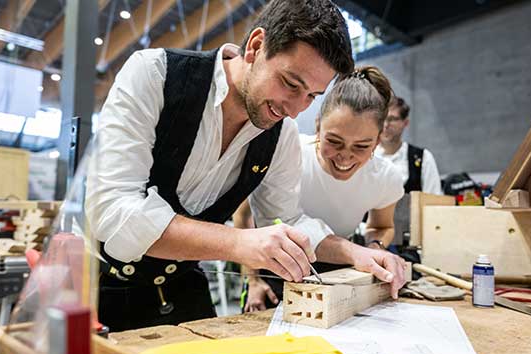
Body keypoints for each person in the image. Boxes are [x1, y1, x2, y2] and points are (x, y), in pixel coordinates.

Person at [86, 0, 395, 332]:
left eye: (311, 96)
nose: (294, 110)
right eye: (291, 84)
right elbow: (112, 211)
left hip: (182, 284)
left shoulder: (282, 135)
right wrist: (239, 243)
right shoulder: (154, 74)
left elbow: (289, 218)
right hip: (96, 289)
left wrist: (354, 253)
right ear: (256, 46)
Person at [238, 66, 407, 312]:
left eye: (361, 146)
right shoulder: (287, 153)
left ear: (378, 140)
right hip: (271, 267)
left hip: (341, 271)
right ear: (318, 126)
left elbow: (382, 226)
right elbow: (245, 217)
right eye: (334, 141)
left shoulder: (385, 177)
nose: (345, 157)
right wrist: (251, 280)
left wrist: (373, 250)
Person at [375, 97, 443, 194]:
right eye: (382, 119)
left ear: (405, 123)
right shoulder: (365, 157)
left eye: (392, 119)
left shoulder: (423, 158)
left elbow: (433, 199)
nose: (385, 125)